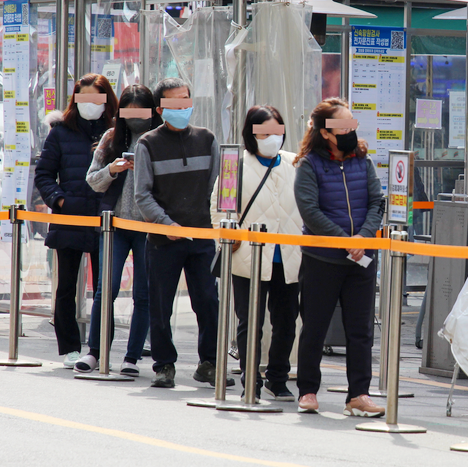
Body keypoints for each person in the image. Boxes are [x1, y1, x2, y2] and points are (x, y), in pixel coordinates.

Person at [134, 77, 232, 388]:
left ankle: (210, 363)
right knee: (161, 304)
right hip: (164, 240)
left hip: (201, 236)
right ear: (161, 109)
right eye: (175, 102)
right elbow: (142, 195)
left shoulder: (207, 139)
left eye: (186, 100)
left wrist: (213, 224)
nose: (182, 106)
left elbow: (217, 188)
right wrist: (166, 224)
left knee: (207, 300)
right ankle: (164, 365)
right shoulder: (147, 144)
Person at [293, 97, 384, 417]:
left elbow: (377, 202)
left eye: (352, 124)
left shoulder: (363, 159)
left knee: (360, 331)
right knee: (314, 327)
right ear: (327, 133)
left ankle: (358, 394)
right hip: (322, 260)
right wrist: (345, 240)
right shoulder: (309, 165)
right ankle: (307, 390)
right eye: (344, 125)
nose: (351, 130)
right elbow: (311, 212)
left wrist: (363, 237)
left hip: (361, 259)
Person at [210, 105, 302, 400]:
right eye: (264, 132)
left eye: (277, 131)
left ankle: (278, 376)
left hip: (288, 257)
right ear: (251, 133)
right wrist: (228, 233)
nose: (272, 137)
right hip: (247, 257)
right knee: (250, 322)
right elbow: (219, 209)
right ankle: (251, 380)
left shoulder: (295, 163)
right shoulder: (234, 165)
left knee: (286, 321)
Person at [75, 85, 161, 376]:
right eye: (130, 111)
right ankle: (95, 352)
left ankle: (132, 357)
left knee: (144, 294)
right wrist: (113, 169)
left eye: (142, 111)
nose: (136, 117)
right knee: (105, 289)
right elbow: (92, 180)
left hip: (148, 226)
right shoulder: (111, 138)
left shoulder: (161, 140)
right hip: (115, 225)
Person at [35, 73, 117, 368]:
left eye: (96, 98)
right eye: (84, 98)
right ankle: (69, 345)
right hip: (69, 217)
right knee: (66, 286)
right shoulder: (60, 133)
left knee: (105, 288)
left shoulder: (115, 131)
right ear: (75, 100)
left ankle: (98, 347)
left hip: (105, 220)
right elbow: (44, 174)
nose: (90, 105)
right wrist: (58, 199)